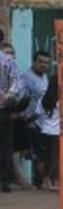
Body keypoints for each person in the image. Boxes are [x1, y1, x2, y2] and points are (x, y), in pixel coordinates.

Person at [18, 51, 51, 189]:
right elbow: (20, 97)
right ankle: (39, 183)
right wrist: (25, 115)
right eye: (41, 62)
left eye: (47, 62)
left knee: (43, 153)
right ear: (34, 62)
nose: (44, 65)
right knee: (37, 154)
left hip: (44, 121)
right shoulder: (26, 78)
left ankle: (41, 182)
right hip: (31, 121)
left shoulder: (44, 77)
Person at [0, 34, 21, 193]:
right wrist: (8, 97)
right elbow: (17, 83)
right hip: (3, 108)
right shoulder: (8, 60)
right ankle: (5, 181)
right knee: (5, 144)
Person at [35, 74, 60, 189]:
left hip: (45, 130)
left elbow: (37, 112)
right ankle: (55, 181)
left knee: (46, 157)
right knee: (55, 157)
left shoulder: (44, 98)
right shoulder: (62, 100)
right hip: (57, 131)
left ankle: (45, 181)